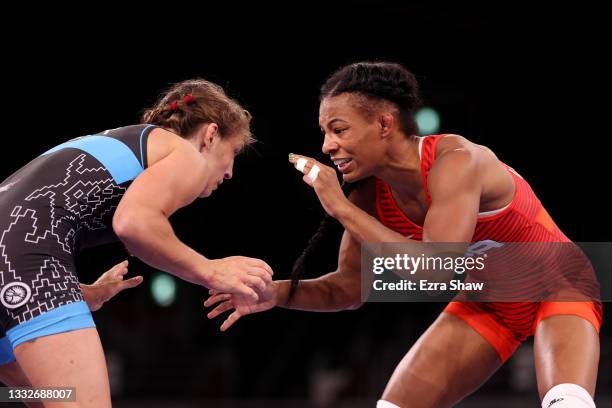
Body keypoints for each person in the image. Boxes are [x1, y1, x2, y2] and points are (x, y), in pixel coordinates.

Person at [205, 62, 601, 408]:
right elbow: (347, 290)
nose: (327, 146)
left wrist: (340, 209)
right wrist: (274, 293)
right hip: (488, 303)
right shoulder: (368, 198)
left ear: (384, 124)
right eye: (324, 132)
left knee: (566, 404)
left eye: (339, 129)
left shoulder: (457, 161)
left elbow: (439, 270)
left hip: (556, 286)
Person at [0, 78, 273, 407]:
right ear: (210, 134)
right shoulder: (185, 153)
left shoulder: (122, 143)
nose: (229, 172)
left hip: (16, 269)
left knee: (46, 400)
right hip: (27, 266)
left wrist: (81, 292)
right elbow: (133, 223)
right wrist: (211, 271)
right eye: (233, 152)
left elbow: (25, 219)